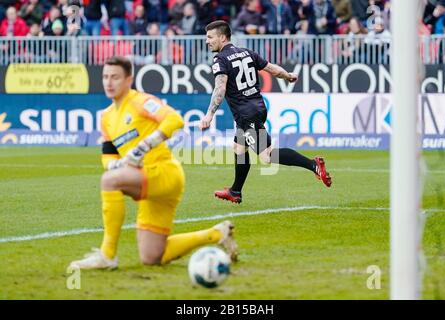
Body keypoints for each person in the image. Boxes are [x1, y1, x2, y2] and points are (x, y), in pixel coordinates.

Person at [69, 56, 238, 270]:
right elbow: (108, 154)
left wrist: (142, 148)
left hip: (163, 172)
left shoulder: (140, 101)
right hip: (146, 180)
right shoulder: (106, 117)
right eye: (105, 77)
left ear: (128, 79)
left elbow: (175, 120)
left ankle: (107, 255)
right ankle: (216, 233)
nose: (109, 82)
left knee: (109, 182)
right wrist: (115, 166)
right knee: (152, 257)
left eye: (115, 77)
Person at [199, 20, 332, 204]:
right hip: (258, 108)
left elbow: (220, 88)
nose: (207, 41)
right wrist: (288, 75)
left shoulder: (219, 59)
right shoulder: (246, 52)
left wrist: (209, 115)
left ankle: (313, 164)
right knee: (239, 148)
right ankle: (235, 191)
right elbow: (271, 68)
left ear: (222, 37)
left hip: (247, 115)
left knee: (267, 156)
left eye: (210, 37)